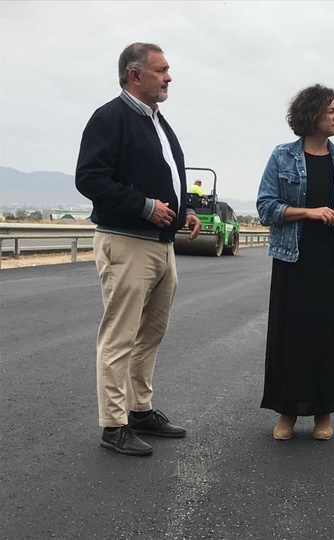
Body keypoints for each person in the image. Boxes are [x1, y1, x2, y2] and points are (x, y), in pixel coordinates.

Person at [75, 42, 200, 456]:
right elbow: (90, 178)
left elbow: (162, 177)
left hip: (161, 246)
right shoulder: (110, 118)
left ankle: (139, 410)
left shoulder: (158, 122)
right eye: (161, 70)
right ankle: (114, 425)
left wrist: (183, 213)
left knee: (150, 333)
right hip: (127, 243)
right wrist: (145, 207)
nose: (169, 77)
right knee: (119, 336)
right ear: (135, 75)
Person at [256, 84, 334, 441]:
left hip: (332, 259)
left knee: (327, 335)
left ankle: (323, 413)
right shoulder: (282, 157)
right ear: (312, 115)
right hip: (293, 258)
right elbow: (265, 208)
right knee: (290, 335)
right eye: (331, 110)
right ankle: (286, 412)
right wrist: (308, 212)